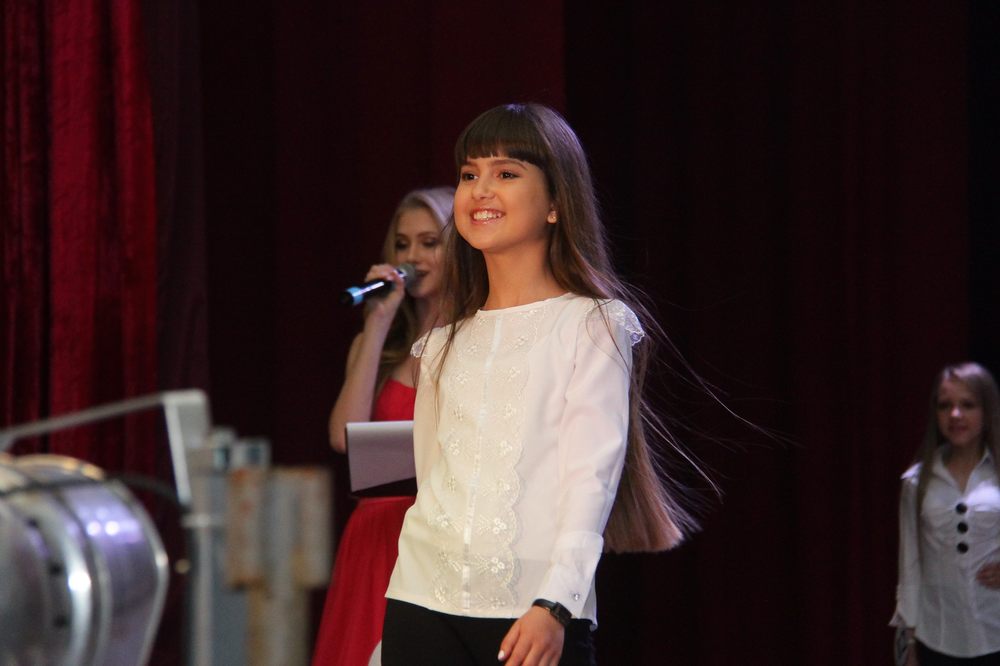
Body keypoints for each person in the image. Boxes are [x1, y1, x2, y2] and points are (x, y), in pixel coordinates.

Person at [381, 103, 694, 666]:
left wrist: (556, 603)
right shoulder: (440, 344)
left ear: (555, 203)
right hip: (420, 599)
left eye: (506, 172)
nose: (481, 190)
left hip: (534, 607)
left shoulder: (592, 324)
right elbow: (430, 479)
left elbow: (591, 477)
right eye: (469, 174)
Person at [312, 187, 454, 666]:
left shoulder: (476, 343)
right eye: (402, 244)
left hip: (436, 534)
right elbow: (343, 436)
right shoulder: (379, 345)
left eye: (429, 243)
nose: (413, 257)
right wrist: (376, 324)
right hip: (375, 536)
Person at [893, 362, 1000, 665]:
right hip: (938, 637)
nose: (955, 414)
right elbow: (909, 565)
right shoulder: (917, 482)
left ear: (986, 411)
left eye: (967, 405)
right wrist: (907, 643)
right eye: (945, 405)